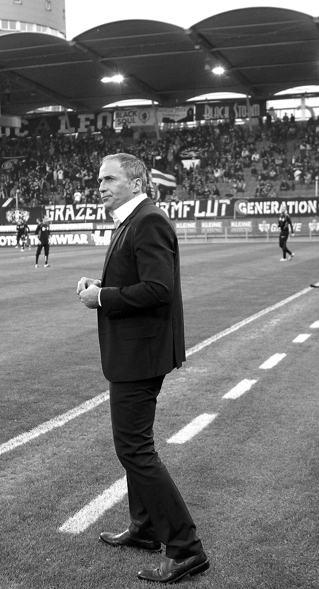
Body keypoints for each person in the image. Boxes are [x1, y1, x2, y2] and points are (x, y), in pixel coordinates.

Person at [76, 153, 208, 584]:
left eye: (109, 178)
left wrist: (103, 298)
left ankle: (186, 547)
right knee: (135, 444)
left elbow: (157, 288)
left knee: (134, 448)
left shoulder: (148, 220)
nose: (100, 185)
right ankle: (146, 527)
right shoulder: (132, 220)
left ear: (136, 182)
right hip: (137, 349)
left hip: (141, 354)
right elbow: (138, 278)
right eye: (98, 179)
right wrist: (102, 287)